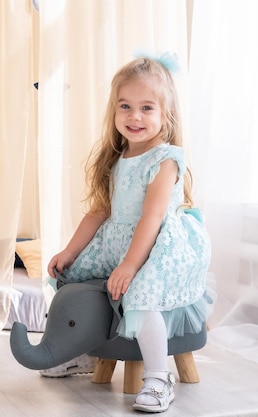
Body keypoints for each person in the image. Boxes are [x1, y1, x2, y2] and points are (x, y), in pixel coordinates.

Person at [41, 54, 213, 413]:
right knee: (70, 278)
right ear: (114, 110)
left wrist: (130, 266)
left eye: (146, 108)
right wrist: (69, 252)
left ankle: (157, 377)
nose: (135, 117)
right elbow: (98, 212)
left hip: (157, 248)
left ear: (166, 116)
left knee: (140, 296)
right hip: (118, 243)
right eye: (126, 106)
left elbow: (151, 220)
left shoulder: (165, 160)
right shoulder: (117, 159)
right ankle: (80, 353)